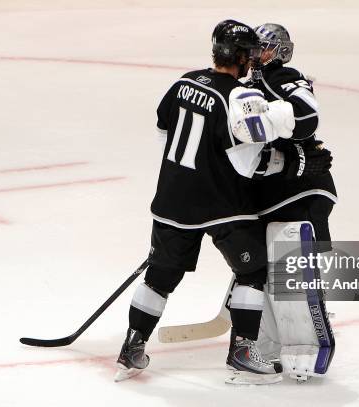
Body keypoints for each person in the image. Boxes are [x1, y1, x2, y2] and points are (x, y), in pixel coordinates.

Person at [115, 20, 302, 385]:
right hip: (220, 205)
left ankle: (132, 346)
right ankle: (244, 350)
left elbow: (162, 131)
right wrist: (286, 146)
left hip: (171, 201)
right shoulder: (237, 97)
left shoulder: (184, 82)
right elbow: (254, 150)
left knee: (159, 279)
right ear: (244, 57)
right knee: (252, 272)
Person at [247, 23, 337, 378]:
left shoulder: (282, 76)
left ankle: (308, 328)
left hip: (302, 187)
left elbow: (307, 116)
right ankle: (270, 328)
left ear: (280, 50)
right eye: (255, 49)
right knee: (265, 259)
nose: (257, 56)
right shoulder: (249, 84)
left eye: (264, 48)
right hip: (276, 187)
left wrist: (275, 132)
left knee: (294, 262)